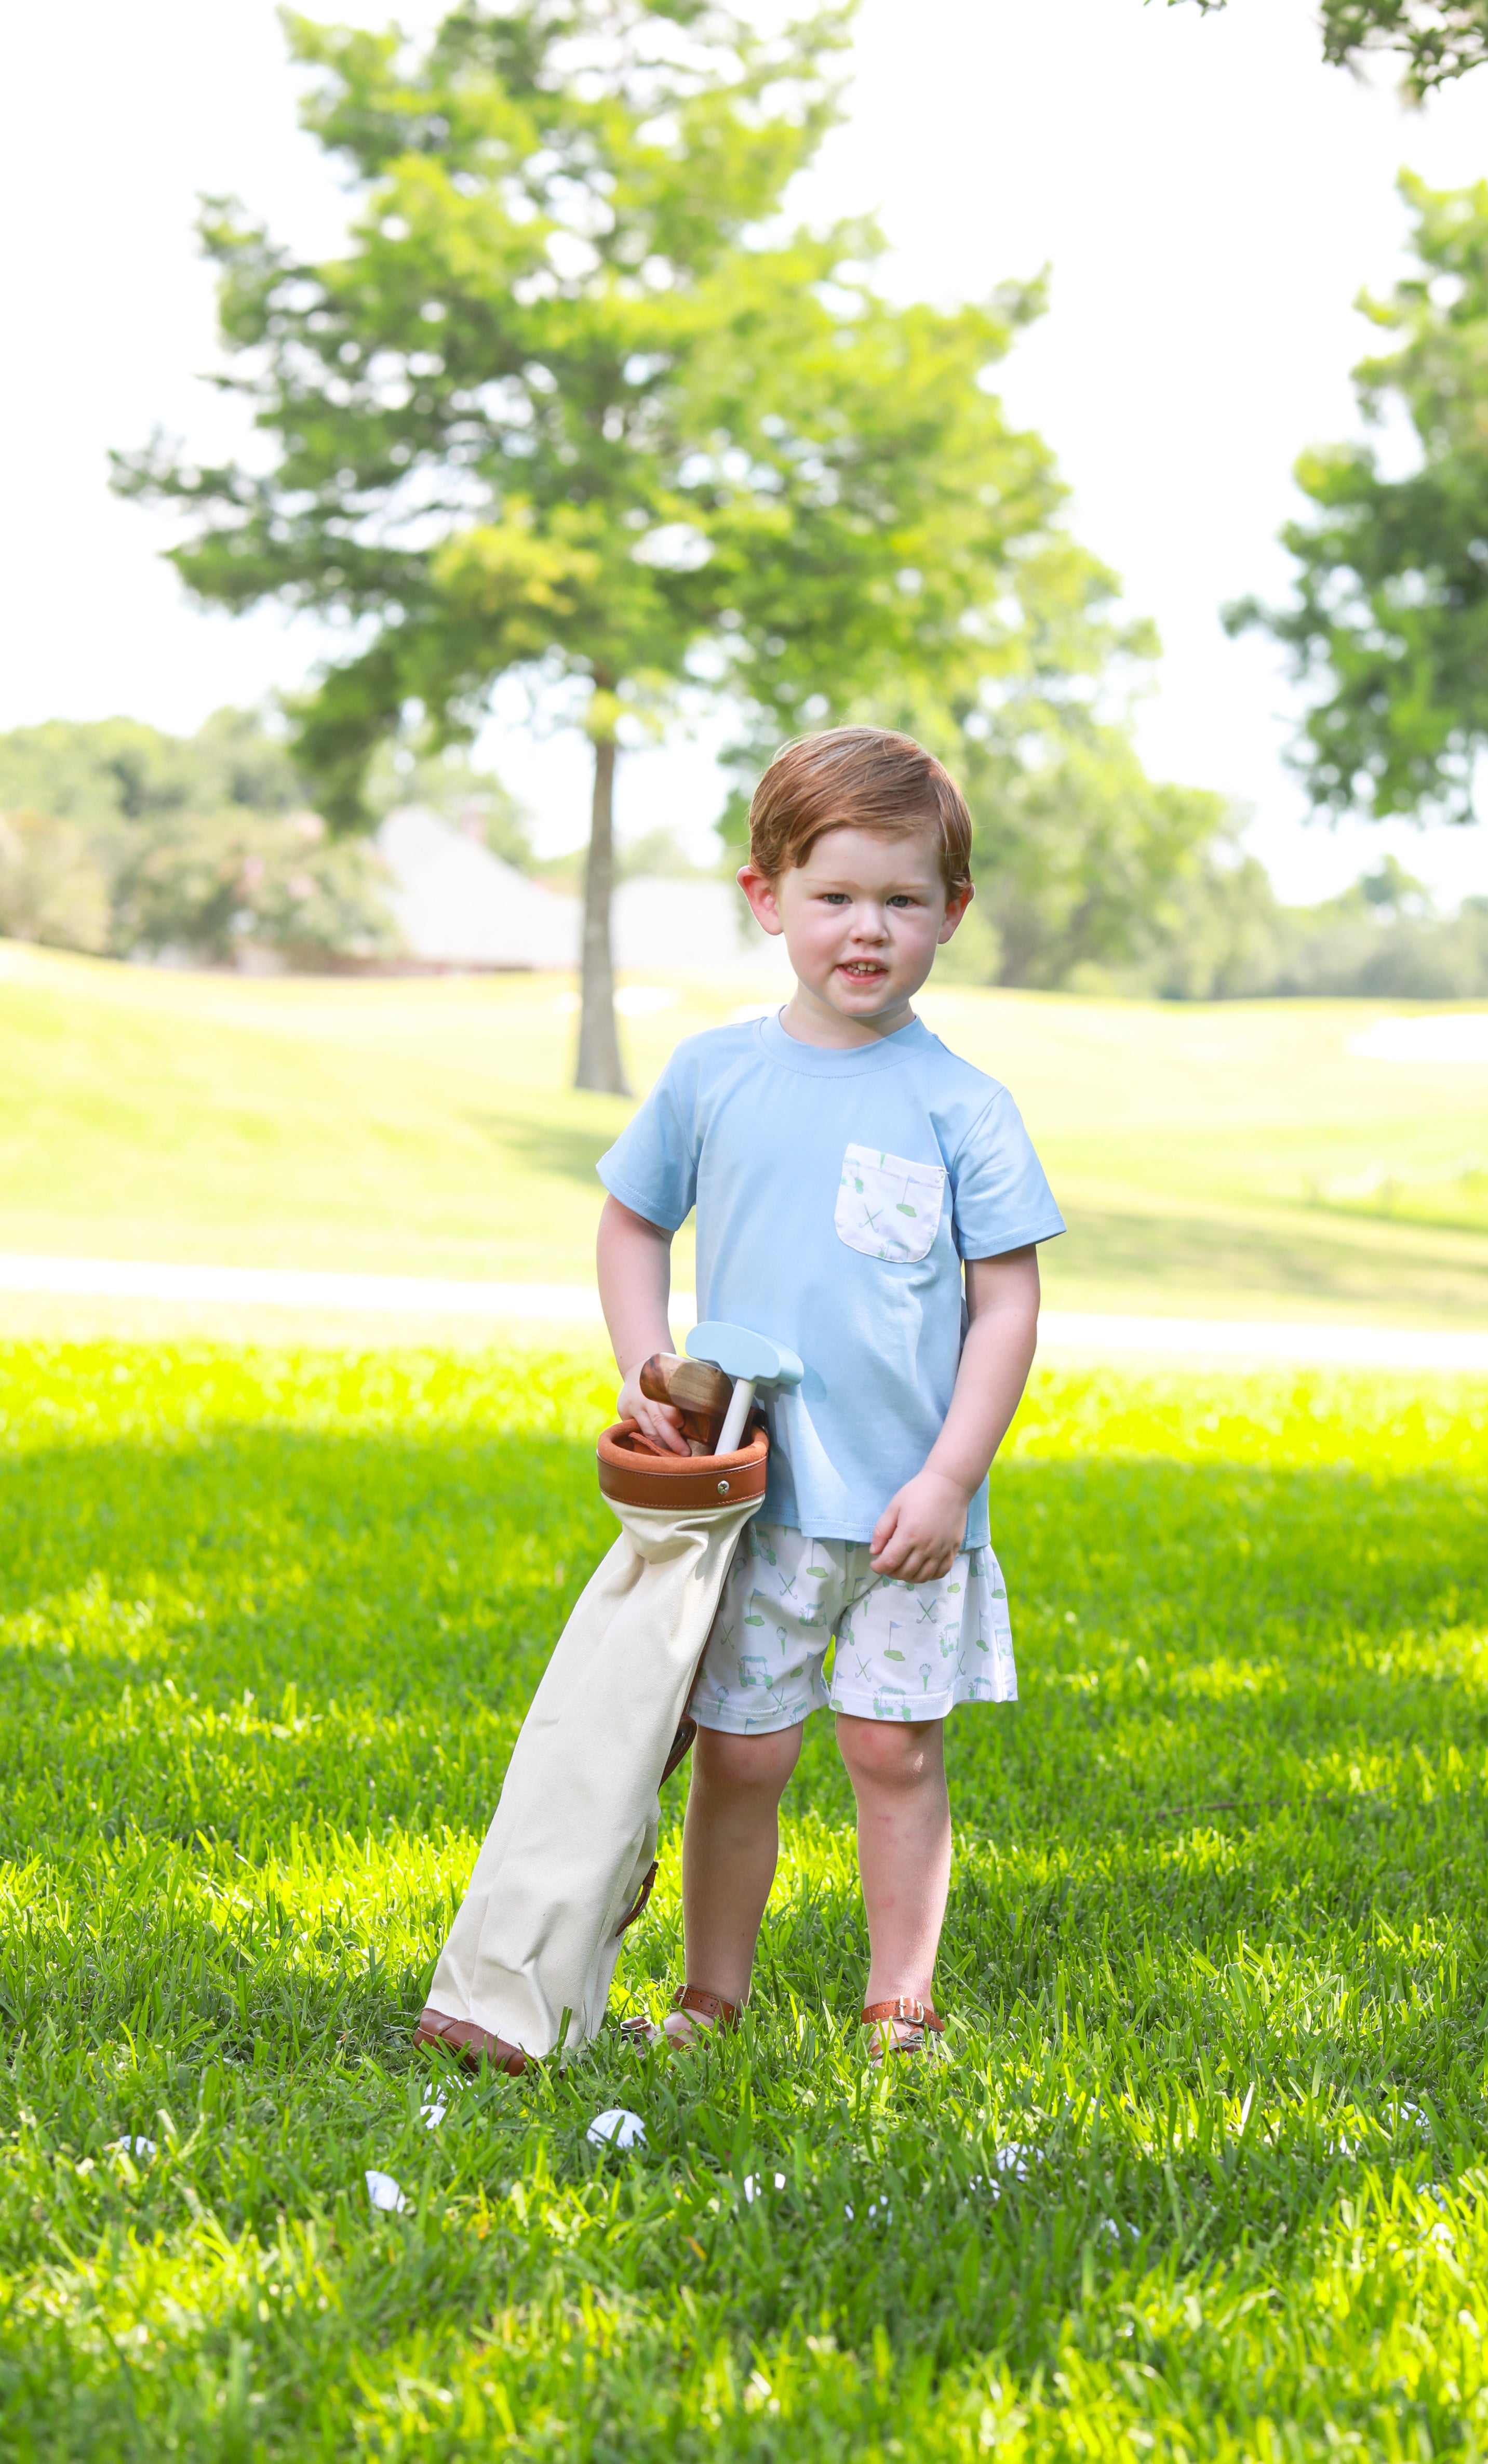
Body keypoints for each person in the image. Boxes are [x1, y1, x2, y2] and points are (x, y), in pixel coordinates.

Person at [595, 726, 1064, 2057]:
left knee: (892, 1751)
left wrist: (952, 1477)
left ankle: (899, 1998)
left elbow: (1006, 1306)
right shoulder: (714, 1074)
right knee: (741, 1753)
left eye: (904, 899)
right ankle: (710, 1994)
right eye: (836, 895)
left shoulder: (964, 1105)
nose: (869, 928)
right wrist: (645, 1361)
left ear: (951, 912)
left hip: (910, 1512)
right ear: (767, 898)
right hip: (759, 1504)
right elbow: (631, 1220)